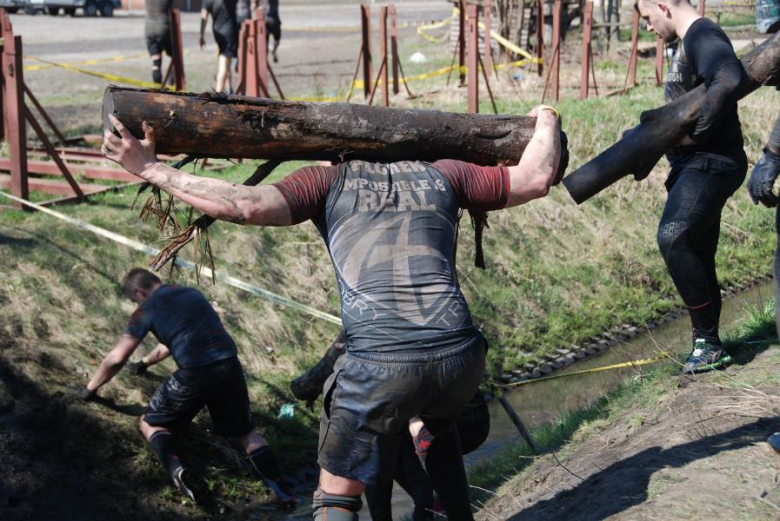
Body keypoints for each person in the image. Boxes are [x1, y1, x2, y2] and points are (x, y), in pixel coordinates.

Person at [101, 105, 564, 520]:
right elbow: (534, 179)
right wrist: (547, 118)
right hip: (461, 356)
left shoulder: (327, 181)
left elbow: (244, 205)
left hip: (383, 362)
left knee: (336, 495)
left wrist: (150, 167)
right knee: (438, 429)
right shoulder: (445, 173)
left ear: (334, 152)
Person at [77, 268, 296, 511]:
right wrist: (145, 363)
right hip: (229, 365)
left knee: (151, 423)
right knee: (246, 433)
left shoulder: (146, 310)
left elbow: (117, 358)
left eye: (134, 299)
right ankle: (284, 494)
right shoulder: (191, 294)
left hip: (196, 372)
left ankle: (179, 471)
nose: (136, 303)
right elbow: (173, 340)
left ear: (139, 292)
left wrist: (90, 388)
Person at [636, 0, 747, 373]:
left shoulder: (702, 34)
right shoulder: (688, 41)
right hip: (697, 165)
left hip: (710, 162)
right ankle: (709, 343)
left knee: (673, 237)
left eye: (647, 17)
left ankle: (707, 344)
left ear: (662, 5)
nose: (648, 26)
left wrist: (694, 136)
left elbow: (729, 77)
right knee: (697, 250)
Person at [291, 332, 491, 520]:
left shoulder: (361, 332)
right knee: (384, 436)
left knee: (377, 438)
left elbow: (314, 380)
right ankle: (436, 506)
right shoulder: (438, 317)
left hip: (435, 427)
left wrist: (302, 388)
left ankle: (429, 507)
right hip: (468, 416)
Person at [200, 0, 239, 93]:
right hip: (229, 34)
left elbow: (204, 17)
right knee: (224, 65)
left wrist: (201, 35)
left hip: (218, 35)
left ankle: (229, 89)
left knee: (227, 62)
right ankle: (218, 92)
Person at [144, 0, 173, 85]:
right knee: (175, 59)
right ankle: (172, 85)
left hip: (149, 27)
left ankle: (158, 88)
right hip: (164, 25)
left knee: (156, 62)